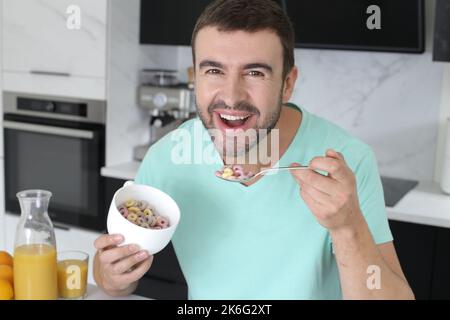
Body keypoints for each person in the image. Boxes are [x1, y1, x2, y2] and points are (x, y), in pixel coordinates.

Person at [93, 0, 414, 299]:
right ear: (195, 78)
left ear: (287, 83)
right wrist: (113, 274)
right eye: (214, 70)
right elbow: (111, 277)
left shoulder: (347, 162)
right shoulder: (166, 159)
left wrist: (347, 227)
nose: (232, 96)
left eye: (255, 72)